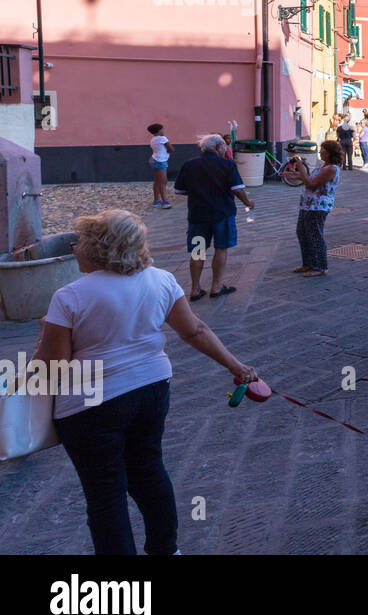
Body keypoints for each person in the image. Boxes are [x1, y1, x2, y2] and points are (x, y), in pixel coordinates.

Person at [32, 209, 258, 555]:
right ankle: (166, 550)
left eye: (82, 241)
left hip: (91, 406)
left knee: (105, 493)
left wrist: (40, 345)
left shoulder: (70, 297)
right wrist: (237, 366)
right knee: (150, 473)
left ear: (100, 247)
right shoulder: (161, 280)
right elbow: (195, 330)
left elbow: (53, 366)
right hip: (151, 390)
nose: (75, 247)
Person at [173, 134, 253, 300]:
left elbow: (179, 190)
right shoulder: (227, 164)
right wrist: (248, 202)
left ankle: (195, 289)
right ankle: (216, 286)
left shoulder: (189, 165)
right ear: (218, 148)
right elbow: (237, 189)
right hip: (222, 214)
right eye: (224, 147)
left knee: (198, 251)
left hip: (197, 215)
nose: (225, 149)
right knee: (221, 248)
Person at [285, 139, 342, 276]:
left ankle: (319, 267)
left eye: (323, 149)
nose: (320, 151)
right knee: (302, 232)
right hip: (308, 205)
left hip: (318, 207)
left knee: (314, 235)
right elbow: (309, 179)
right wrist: (298, 176)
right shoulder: (323, 166)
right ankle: (308, 263)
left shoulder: (332, 169)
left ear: (329, 153)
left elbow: (311, 184)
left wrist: (301, 166)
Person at [146, 123, 173, 209]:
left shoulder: (153, 139)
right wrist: (168, 151)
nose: (164, 131)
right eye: (162, 129)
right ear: (159, 131)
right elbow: (171, 149)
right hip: (160, 161)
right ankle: (165, 202)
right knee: (163, 182)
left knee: (157, 181)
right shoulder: (163, 138)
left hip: (154, 159)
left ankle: (156, 200)